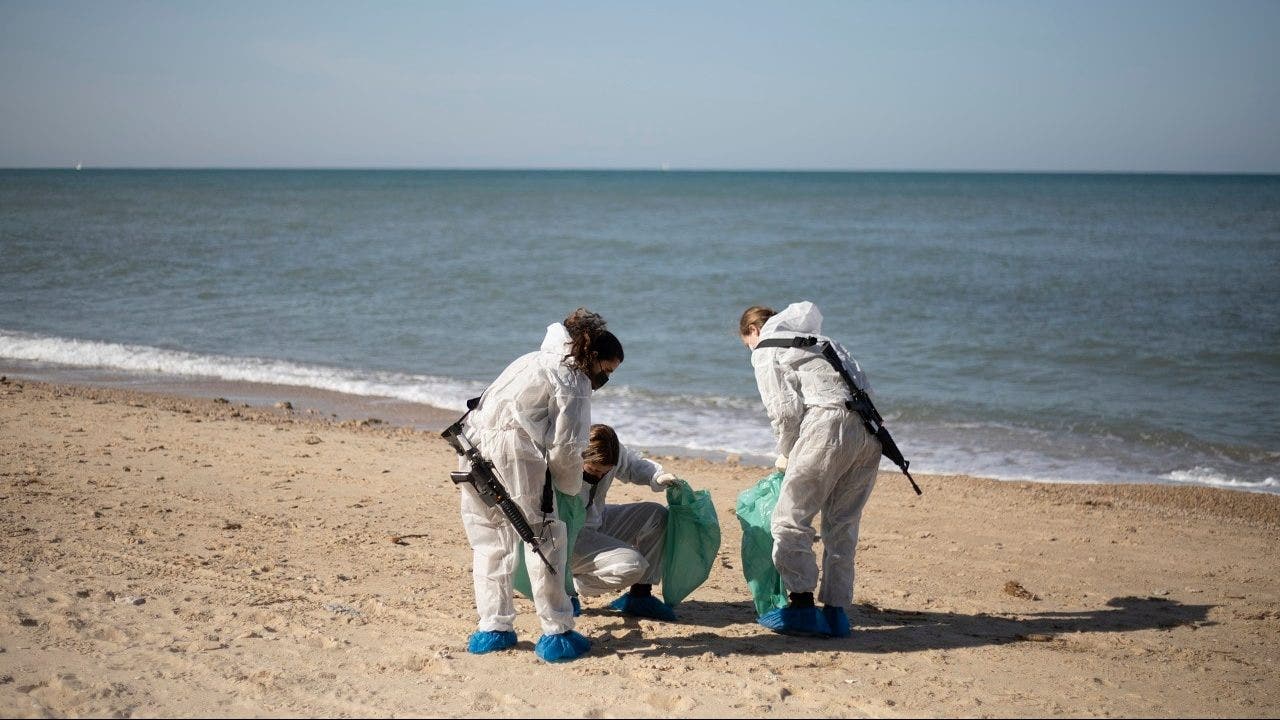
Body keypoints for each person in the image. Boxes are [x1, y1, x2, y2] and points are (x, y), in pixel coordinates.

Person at [457, 308, 623, 662]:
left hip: (471, 446)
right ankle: (557, 632)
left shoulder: (530, 360)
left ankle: (493, 628)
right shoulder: (573, 379)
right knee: (545, 538)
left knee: (489, 539)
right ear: (592, 358)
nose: (604, 380)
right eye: (606, 371)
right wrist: (569, 492)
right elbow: (567, 447)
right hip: (514, 455)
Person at [739, 301, 880, 638]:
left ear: (753, 331)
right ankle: (835, 614)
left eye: (746, 343)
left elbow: (784, 412)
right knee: (842, 524)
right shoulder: (822, 342)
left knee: (789, 520)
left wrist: (787, 455)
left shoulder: (765, 347)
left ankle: (801, 607)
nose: (749, 349)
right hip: (871, 432)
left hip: (829, 426)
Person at [569, 424, 680, 620]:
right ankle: (566, 588)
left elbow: (632, 465)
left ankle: (639, 596)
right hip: (568, 535)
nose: (599, 475)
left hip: (596, 518)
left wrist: (657, 476)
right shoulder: (565, 457)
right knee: (632, 566)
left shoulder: (613, 453)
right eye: (592, 470)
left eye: (604, 472)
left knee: (656, 515)